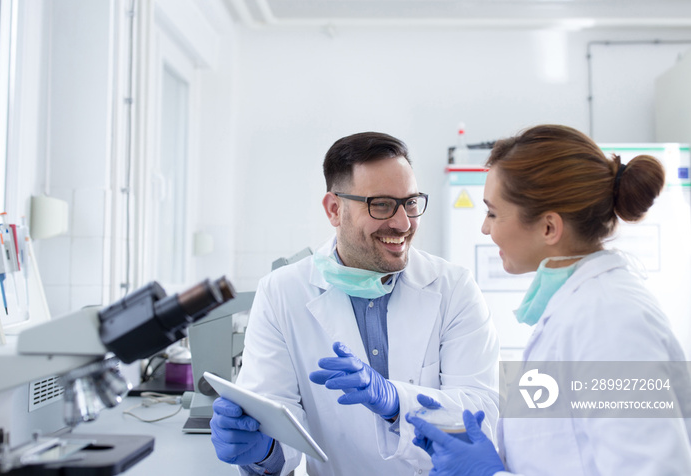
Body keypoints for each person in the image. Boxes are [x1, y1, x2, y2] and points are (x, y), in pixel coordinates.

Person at [209, 131, 501, 475]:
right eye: (380, 204)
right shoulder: (282, 292)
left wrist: (395, 402)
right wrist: (262, 450)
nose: (403, 223)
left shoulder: (454, 289)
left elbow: (480, 418)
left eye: (410, 202)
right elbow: (279, 420)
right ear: (334, 209)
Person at [407, 124, 691, 475]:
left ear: (549, 228)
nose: (484, 228)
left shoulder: (611, 320)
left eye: (493, 213)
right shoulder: (576, 309)